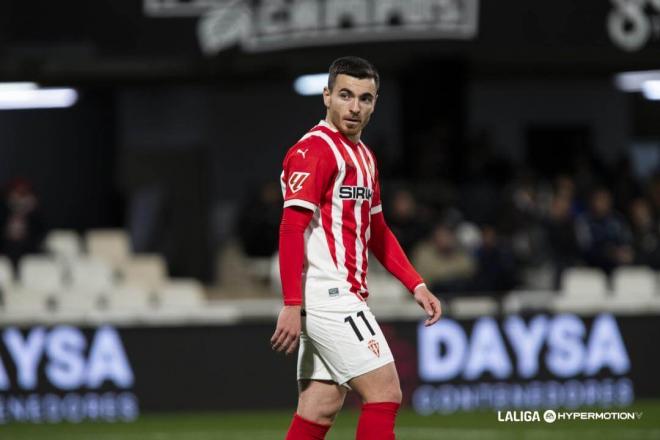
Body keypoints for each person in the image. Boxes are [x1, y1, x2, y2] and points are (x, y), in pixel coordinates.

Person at [270, 57, 442, 440]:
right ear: (327, 96)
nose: (354, 107)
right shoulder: (314, 150)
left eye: (364, 98)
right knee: (385, 392)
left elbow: (376, 231)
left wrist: (416, 284)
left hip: (337, 295)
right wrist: (291, 302)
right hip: (329, 295)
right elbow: (291, 227)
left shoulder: (364, 157)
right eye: (345, 95)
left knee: (319, 407)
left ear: (375, 102)